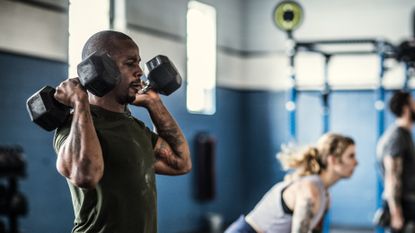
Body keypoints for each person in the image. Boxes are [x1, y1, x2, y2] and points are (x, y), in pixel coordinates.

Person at [52, 30, 192, 233]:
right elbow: (86, 175)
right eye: (130, 63)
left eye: (139, 63)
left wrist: (154, 103)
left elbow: (181, 163)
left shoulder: (134, 128)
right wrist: (80, 101)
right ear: (101, 69)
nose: (140, 71)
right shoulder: (72, 127)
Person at [225, 133, 358, 233]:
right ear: (333, 160)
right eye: (351, 156)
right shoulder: (310, 191)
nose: (356, 162)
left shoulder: (325, 196)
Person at [377, 90, 415, 233]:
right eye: (413, 103)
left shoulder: (405, 135)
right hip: (402, 206)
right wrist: (396, 212)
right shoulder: (397, 137)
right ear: (406, 108)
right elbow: (392, 176)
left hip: (407, 204)